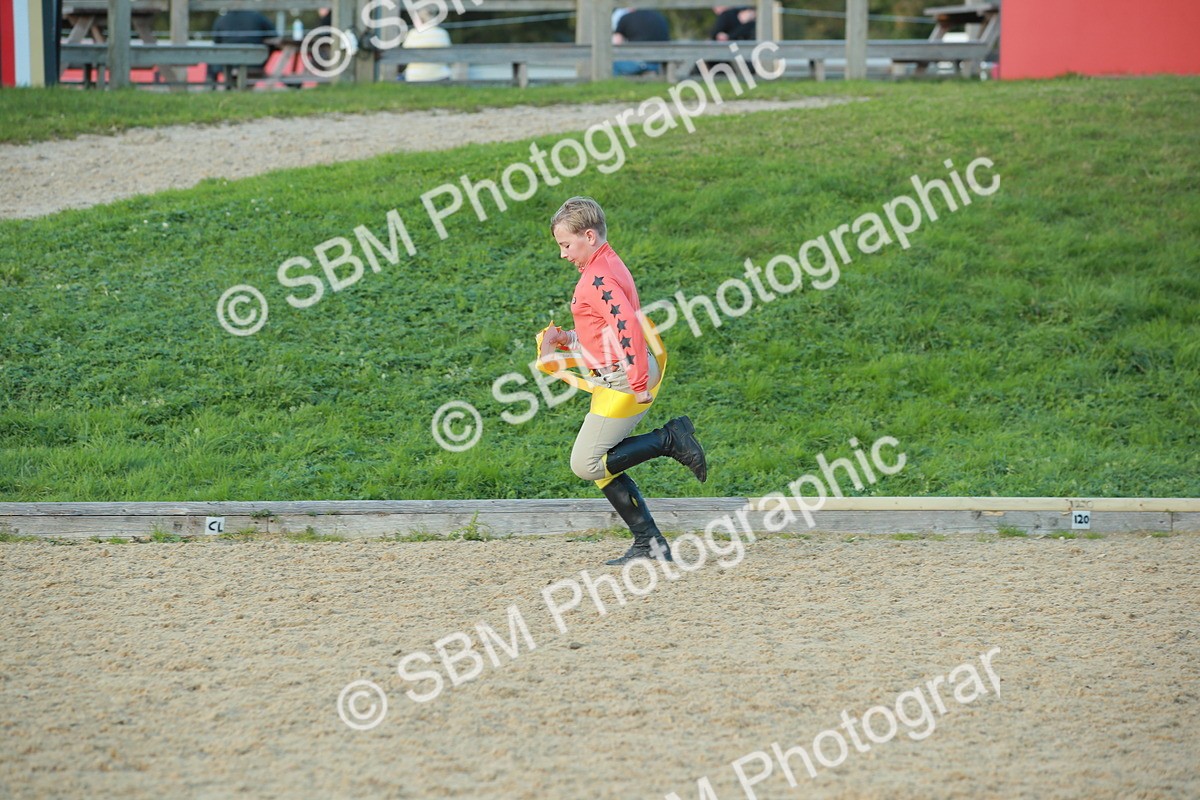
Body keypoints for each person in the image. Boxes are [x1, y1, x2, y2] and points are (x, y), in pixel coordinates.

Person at [539, 197, 708, 566]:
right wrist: (566, 338)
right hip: (616, 375)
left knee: (585, 464)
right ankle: (650, 543)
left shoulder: (597, 278)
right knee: (602, 467)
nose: (563, 254)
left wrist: (638, 380)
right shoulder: (605, 264)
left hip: (624, 380)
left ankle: (670, 439)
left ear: (589, 235)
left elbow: (626, 325)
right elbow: (604, 331)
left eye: (566, 245)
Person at [208, 10, 276, 87]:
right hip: (255, 63)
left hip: (228, 65)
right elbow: (274, 37)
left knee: (212, 54)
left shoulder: (221, 19)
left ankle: (211, 84)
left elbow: (216, 44)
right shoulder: (258, 17)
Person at [612, 7, 670, 76]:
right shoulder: (660, 17)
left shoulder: (626, 18)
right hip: (658, 63)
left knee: (612, 63)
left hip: (637, 62)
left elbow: (616, 44)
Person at [400, 5, 451, 82]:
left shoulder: (413, 33)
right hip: (441, 75)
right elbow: (449, 55)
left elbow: (405, 55)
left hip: (415, 76)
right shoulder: (443, 33)